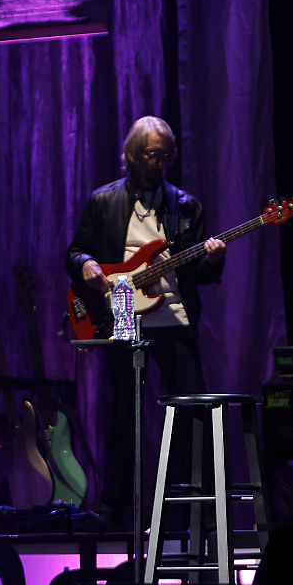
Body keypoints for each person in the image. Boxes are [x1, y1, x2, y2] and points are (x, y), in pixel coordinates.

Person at [65, 115, 226, 529]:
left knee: (193, 411)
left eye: (167, 154)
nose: (161, 162)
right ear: (134, 155)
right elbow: (76, 251)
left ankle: (190, 510)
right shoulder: (104, 201)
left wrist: (213, 258)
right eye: (153, 154)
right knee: (123, 415)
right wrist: (85, 265)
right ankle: (113, 507)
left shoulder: (186, 206)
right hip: (120, 310)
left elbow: (201, 277)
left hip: (173, 315)